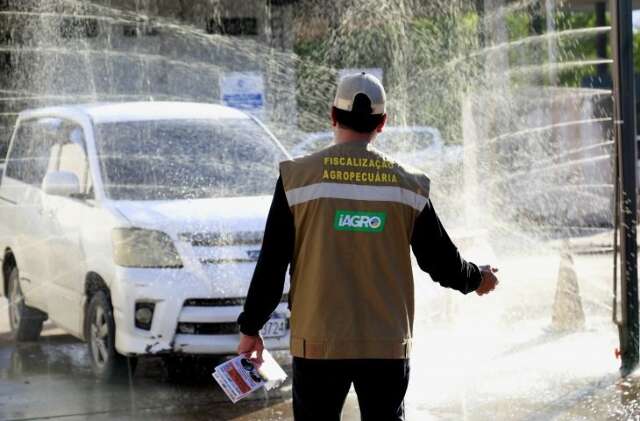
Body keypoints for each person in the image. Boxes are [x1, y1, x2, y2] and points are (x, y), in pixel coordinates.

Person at [236, 72, 499, 421]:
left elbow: (272, 265)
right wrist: (476, 278)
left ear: (332, 116)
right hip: (386, 345)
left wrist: (251, 327)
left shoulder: (296, 179)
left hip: (317, 344)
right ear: (383, 123)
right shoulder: (408, 186)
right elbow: (441, 262)